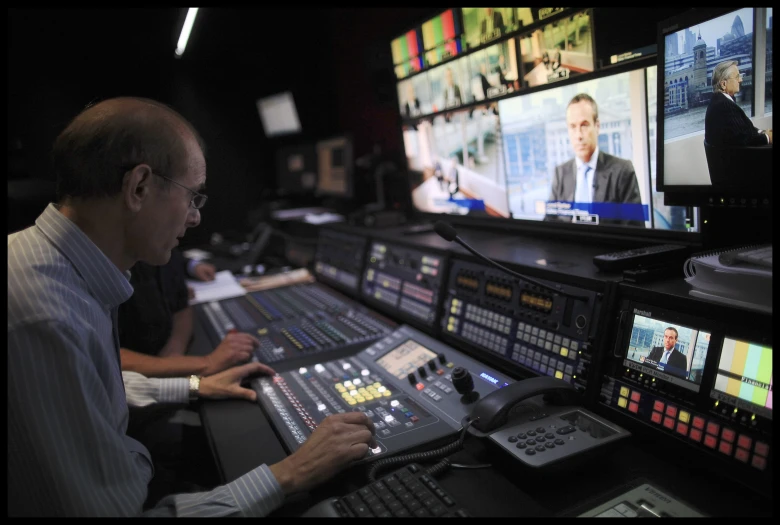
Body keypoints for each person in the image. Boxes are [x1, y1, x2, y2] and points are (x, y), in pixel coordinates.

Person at [8, 97, 376, 517]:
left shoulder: (58, 270)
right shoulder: (44, 317)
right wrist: (289, 475)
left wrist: (196, 385)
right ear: (139, 187)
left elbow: (92, 389)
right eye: (193, 196)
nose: (196, 218)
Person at [545, 93, 645, 227]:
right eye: (573, 127)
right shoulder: (561, 173)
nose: (578, 135)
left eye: (584, 125)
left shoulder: (622, 171)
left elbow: (635, 229)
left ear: (597, 126)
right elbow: (549, 224)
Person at [705, 60, 772, 148]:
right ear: (723, 84)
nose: (740, 80)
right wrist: (767, 137)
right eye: (737, 77)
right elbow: (744, 138)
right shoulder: (724, 106)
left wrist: (763, 132)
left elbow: (743, 131)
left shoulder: (717, 101)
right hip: (741, 159)